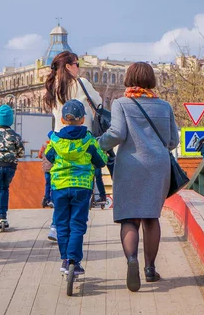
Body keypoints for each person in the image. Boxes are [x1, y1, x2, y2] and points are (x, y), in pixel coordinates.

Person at [98, 62, 179, 292]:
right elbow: (174, 142)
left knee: (129, 218)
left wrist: (97, 144)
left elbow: (117, 133)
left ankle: (131, 259)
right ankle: (150, 268)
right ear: (151, 79)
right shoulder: (164, 106)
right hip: (158, 167)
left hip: (130, 166)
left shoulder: (121, 104)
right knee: (152, 217)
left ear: (129, 78)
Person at [45, 100, 107, 276]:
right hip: (82, 187)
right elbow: (101, 160)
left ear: (63, 120)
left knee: (62, 224)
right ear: (82, 120)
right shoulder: (89, 141)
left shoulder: (55, 141)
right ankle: (74, 260)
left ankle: (65, 260)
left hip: (59, 187)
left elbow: (49, 158)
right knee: (78, 224)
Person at [38, 140, 53, 208]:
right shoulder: (56, 144)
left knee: (47, 184)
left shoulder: (44, 145)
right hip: (53, 168)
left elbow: (40, 155)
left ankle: (47, 199)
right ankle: (52, 200)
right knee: (53, 184)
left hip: (46, 168)